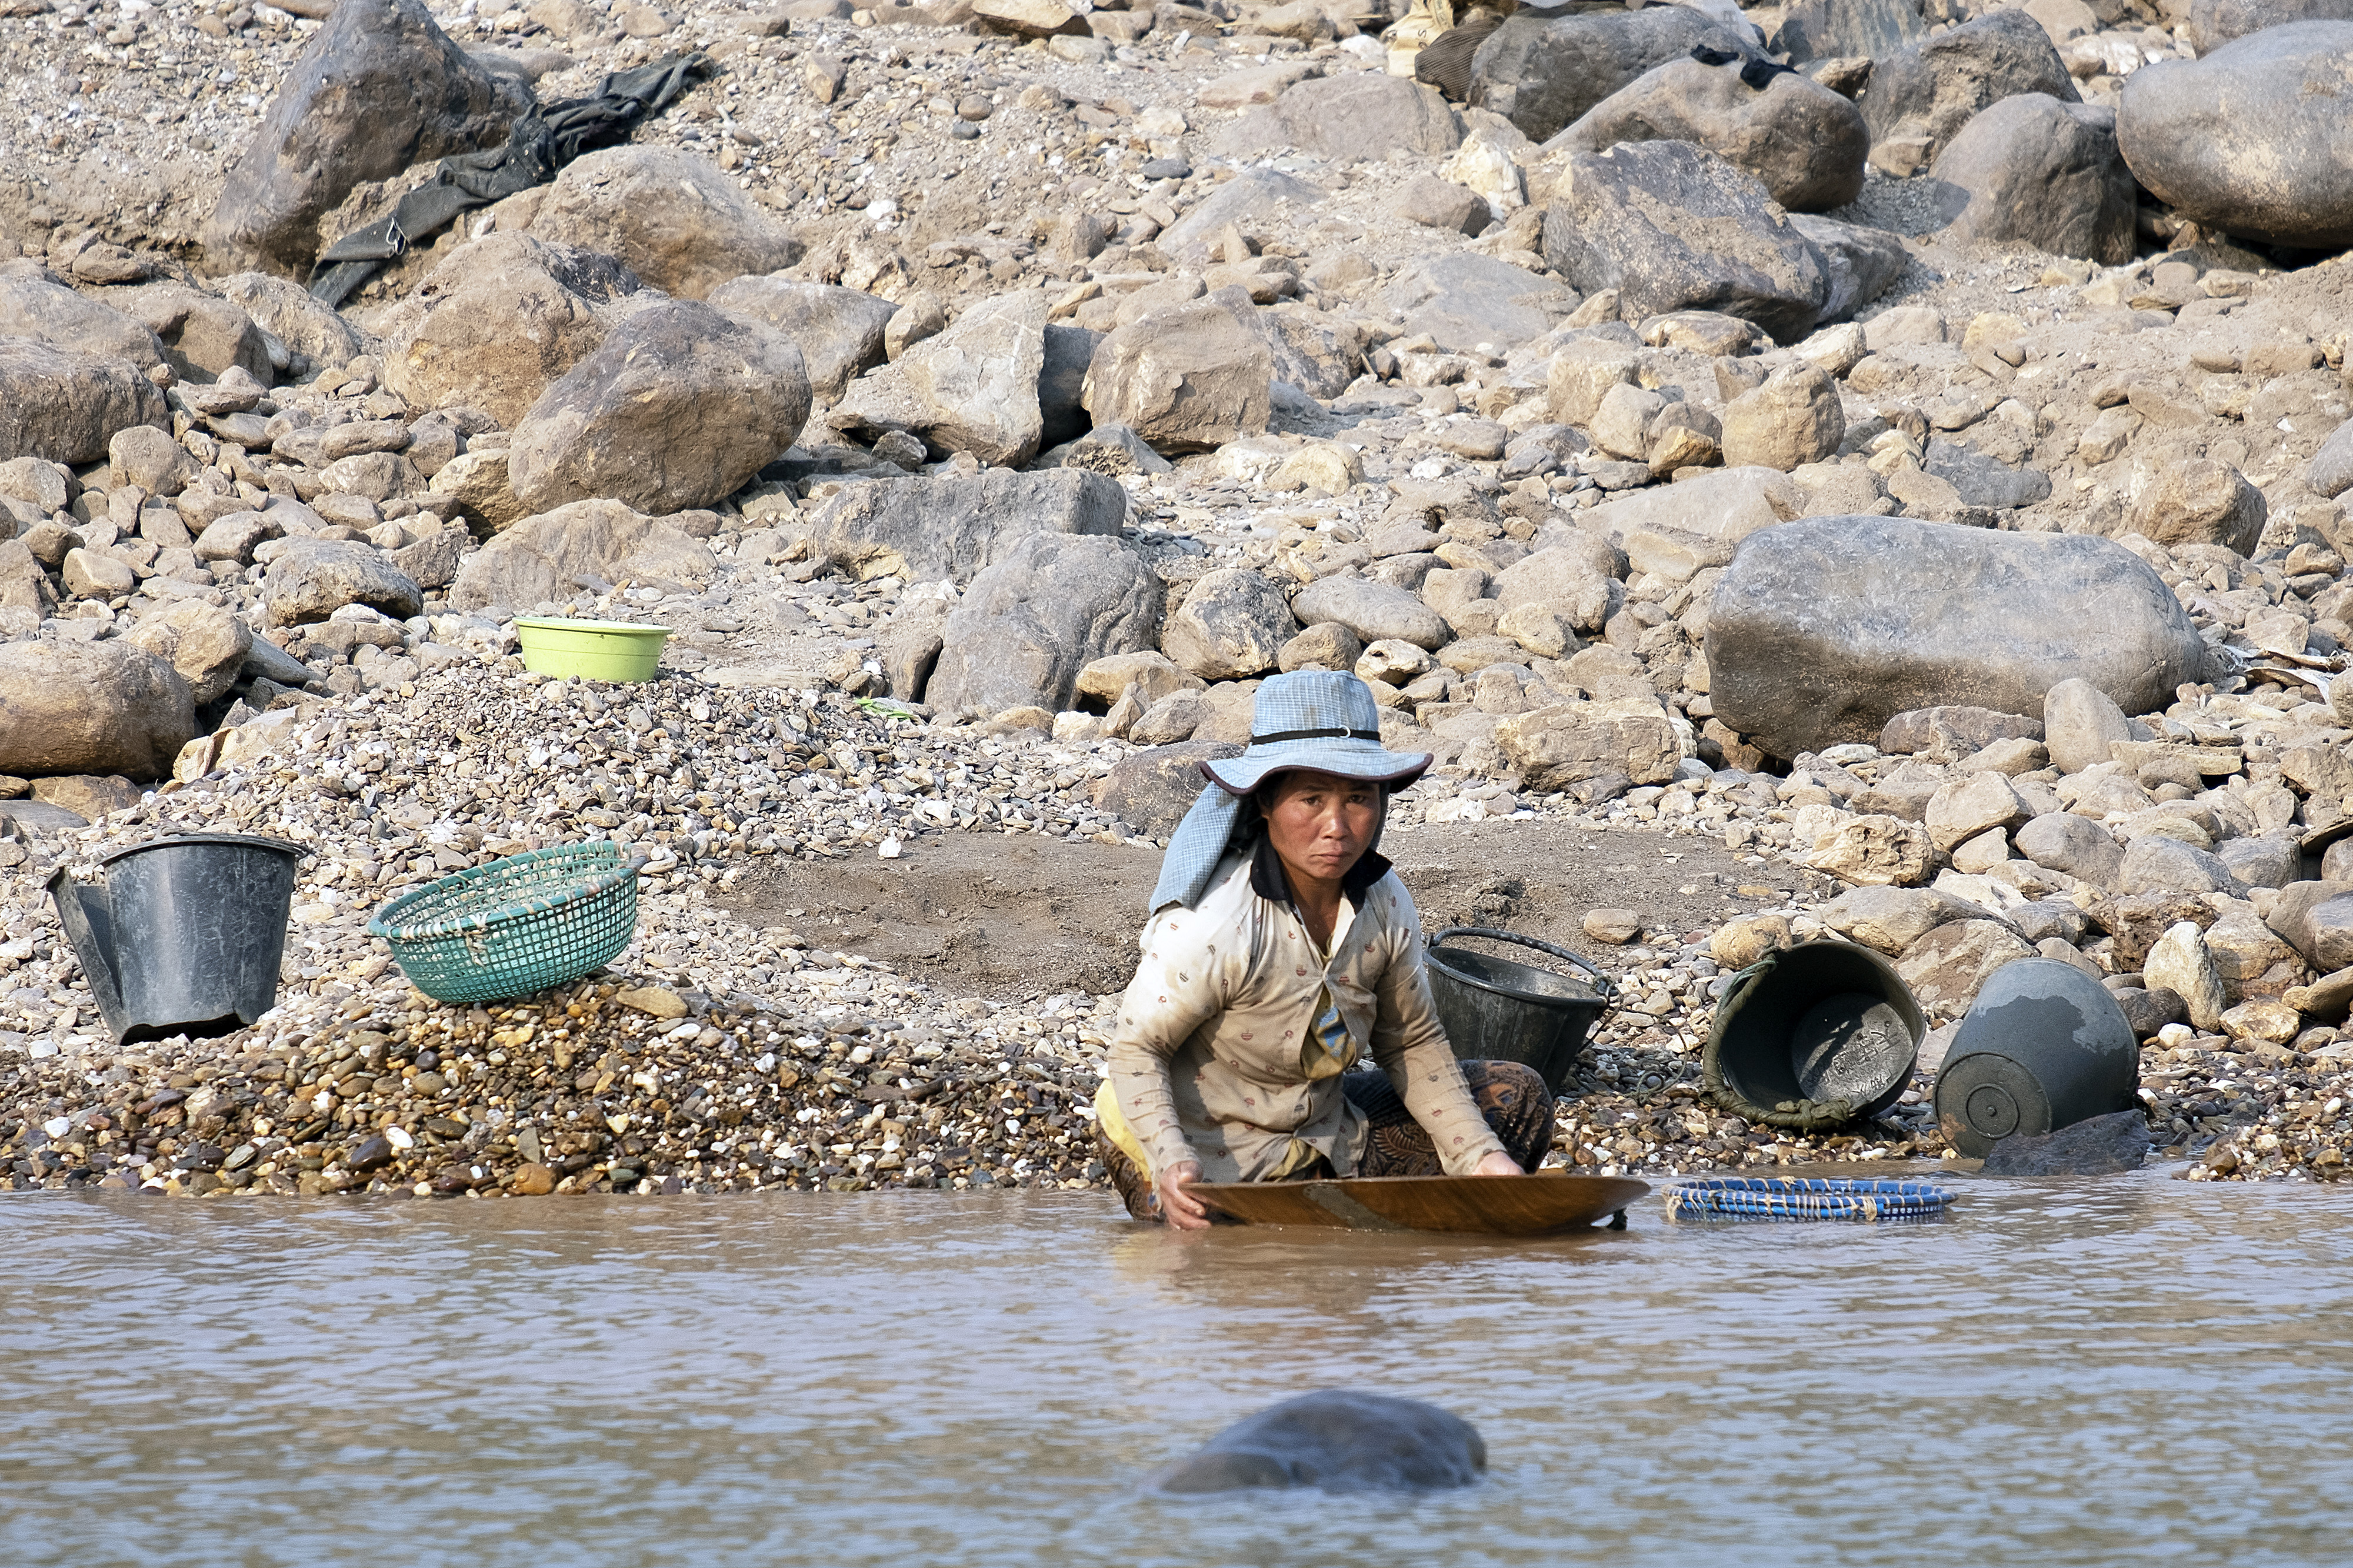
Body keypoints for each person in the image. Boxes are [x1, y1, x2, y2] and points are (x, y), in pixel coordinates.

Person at [1094, 670, 1555, 1227]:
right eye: (1311, 800)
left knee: (1516, 1099)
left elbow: (1411, 1038)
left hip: (1324, 1130)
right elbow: (1136, 1051)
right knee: (1213, 1249)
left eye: (1358, 799)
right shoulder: (1215, 921)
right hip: (1197, 1143)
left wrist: (1481, 1158)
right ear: (1266, 802)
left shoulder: (1383, 903)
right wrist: (1170, 1160)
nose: (1336, 826)